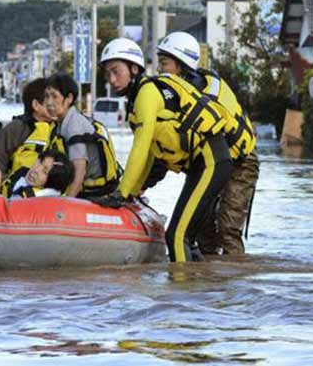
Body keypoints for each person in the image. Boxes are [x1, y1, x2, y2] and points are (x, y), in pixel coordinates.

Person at [97, 37, 232, 263]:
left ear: (134, 68)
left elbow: (139, 149)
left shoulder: (146, 93)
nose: (112, 79)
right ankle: (204, 286)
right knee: (187, 238)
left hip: (211, 161)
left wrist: (121, 193)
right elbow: (151, 153)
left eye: (116, 71)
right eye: (108, 74)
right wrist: (133, 191)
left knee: (177, 237)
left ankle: (180, 294)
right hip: (205, 165)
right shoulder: (137, 100)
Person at [156, 31, 259, 255]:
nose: (159, 70)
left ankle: (236, 282)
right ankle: (209, 282)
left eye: (164, 63)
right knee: (203, 227)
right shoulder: (184, 94)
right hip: (215, 164)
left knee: (227, 230)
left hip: (241, 163)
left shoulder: (203, 98)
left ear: (181, 66)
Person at [43, 73, 121, 198]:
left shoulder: (74, 126)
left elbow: (80, 171)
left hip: (94, 193)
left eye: (54, 96)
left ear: (69, 98)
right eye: (46, 96)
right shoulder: (61, 123)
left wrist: (66, 204)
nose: (48, 102)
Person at [0, 78, 56, 196]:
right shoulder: (17, 128)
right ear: (36, 105)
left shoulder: (63, 128)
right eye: (50, 100)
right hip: (18, 198)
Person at [9, 150, 74, 198]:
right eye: (40, 162)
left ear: (52, 184)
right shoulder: (20, 173)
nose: (36, 169)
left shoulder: (30, 198)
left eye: (45, 172)